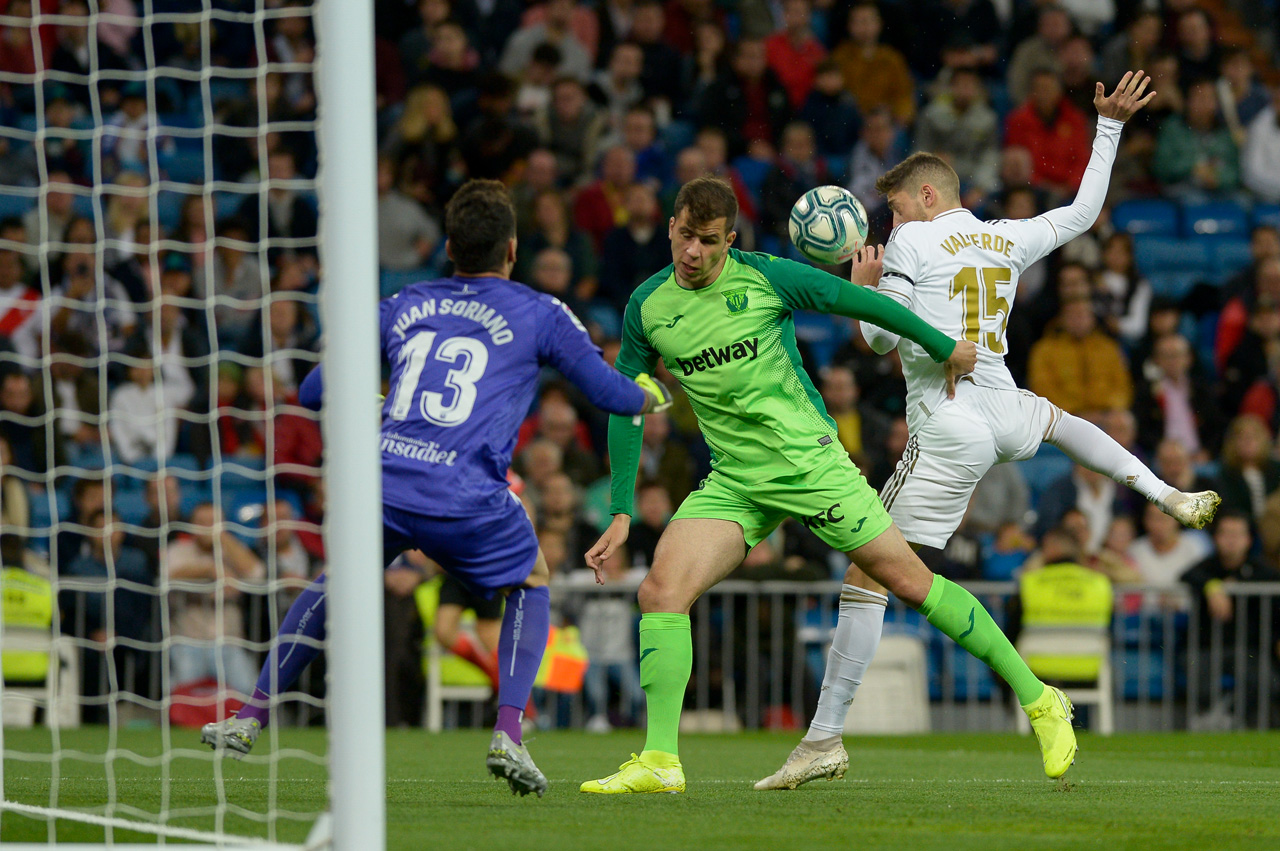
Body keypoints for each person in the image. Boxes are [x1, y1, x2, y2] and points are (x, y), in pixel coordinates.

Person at [758, 70, 1222, 791]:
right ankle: (1167, 492)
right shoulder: (1007, 237)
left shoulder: (910, 246)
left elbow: (879, 346)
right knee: (1064, 422)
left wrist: (867, 286)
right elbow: (1082, 213)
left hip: (948, 424)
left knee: (867, 573)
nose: (891, 221)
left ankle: (824, 737)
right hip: (1004, 408)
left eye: (896, 207)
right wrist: (1108, 128)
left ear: (930, 195)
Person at [201, 180, 672, 798]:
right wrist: (651, 395)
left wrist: (383, 394)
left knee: (335, 581)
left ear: (448, 246)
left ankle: (249, 717)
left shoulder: (403, 301)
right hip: (465, 495)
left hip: (385, 481)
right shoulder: (539, 312)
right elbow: (609, 395)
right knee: (530, 580)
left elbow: (313, 392)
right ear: (512, 248)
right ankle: (509, 732)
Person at [578, 174, 996, 795]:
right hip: (736, 480)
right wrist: (620, 510)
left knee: (910, 582)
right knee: (661, 590)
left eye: (710, 242)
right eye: (686, 236)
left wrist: (942, 346)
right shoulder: (646, 305)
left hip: (809, 465)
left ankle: (1040, 700)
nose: (694, 252)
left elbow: (865, 304)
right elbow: (625, 403)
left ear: (731, 241)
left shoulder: (765, 276)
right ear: (670, 227)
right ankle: (660, 761)